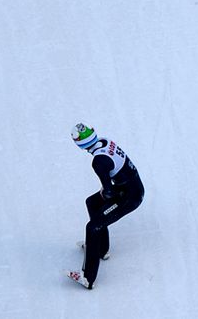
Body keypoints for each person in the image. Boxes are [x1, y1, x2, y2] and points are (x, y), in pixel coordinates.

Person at [65, 123, 144, 289]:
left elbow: (107, 192)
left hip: (130, 196)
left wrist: (108, 192)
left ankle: (88, 278)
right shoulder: (104, 142)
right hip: (129, 186)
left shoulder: (98, 162)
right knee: (92, 203)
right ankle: (101, 249)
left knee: (93, 227)